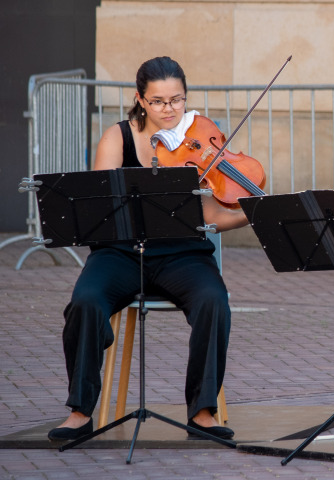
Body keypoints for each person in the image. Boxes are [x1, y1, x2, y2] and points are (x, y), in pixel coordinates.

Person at [48, 56, 249, 441]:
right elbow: (99, 204)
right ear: (140, 99)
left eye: (177, 100)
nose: (169, 110)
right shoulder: (117, 137)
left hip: (182, 255)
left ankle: (202, 411)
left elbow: (209, 214)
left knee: (213, 302)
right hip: (120, 254)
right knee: (85, 303)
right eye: (158, 101)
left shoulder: (202, 137)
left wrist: (248, 213)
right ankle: (79, 410)